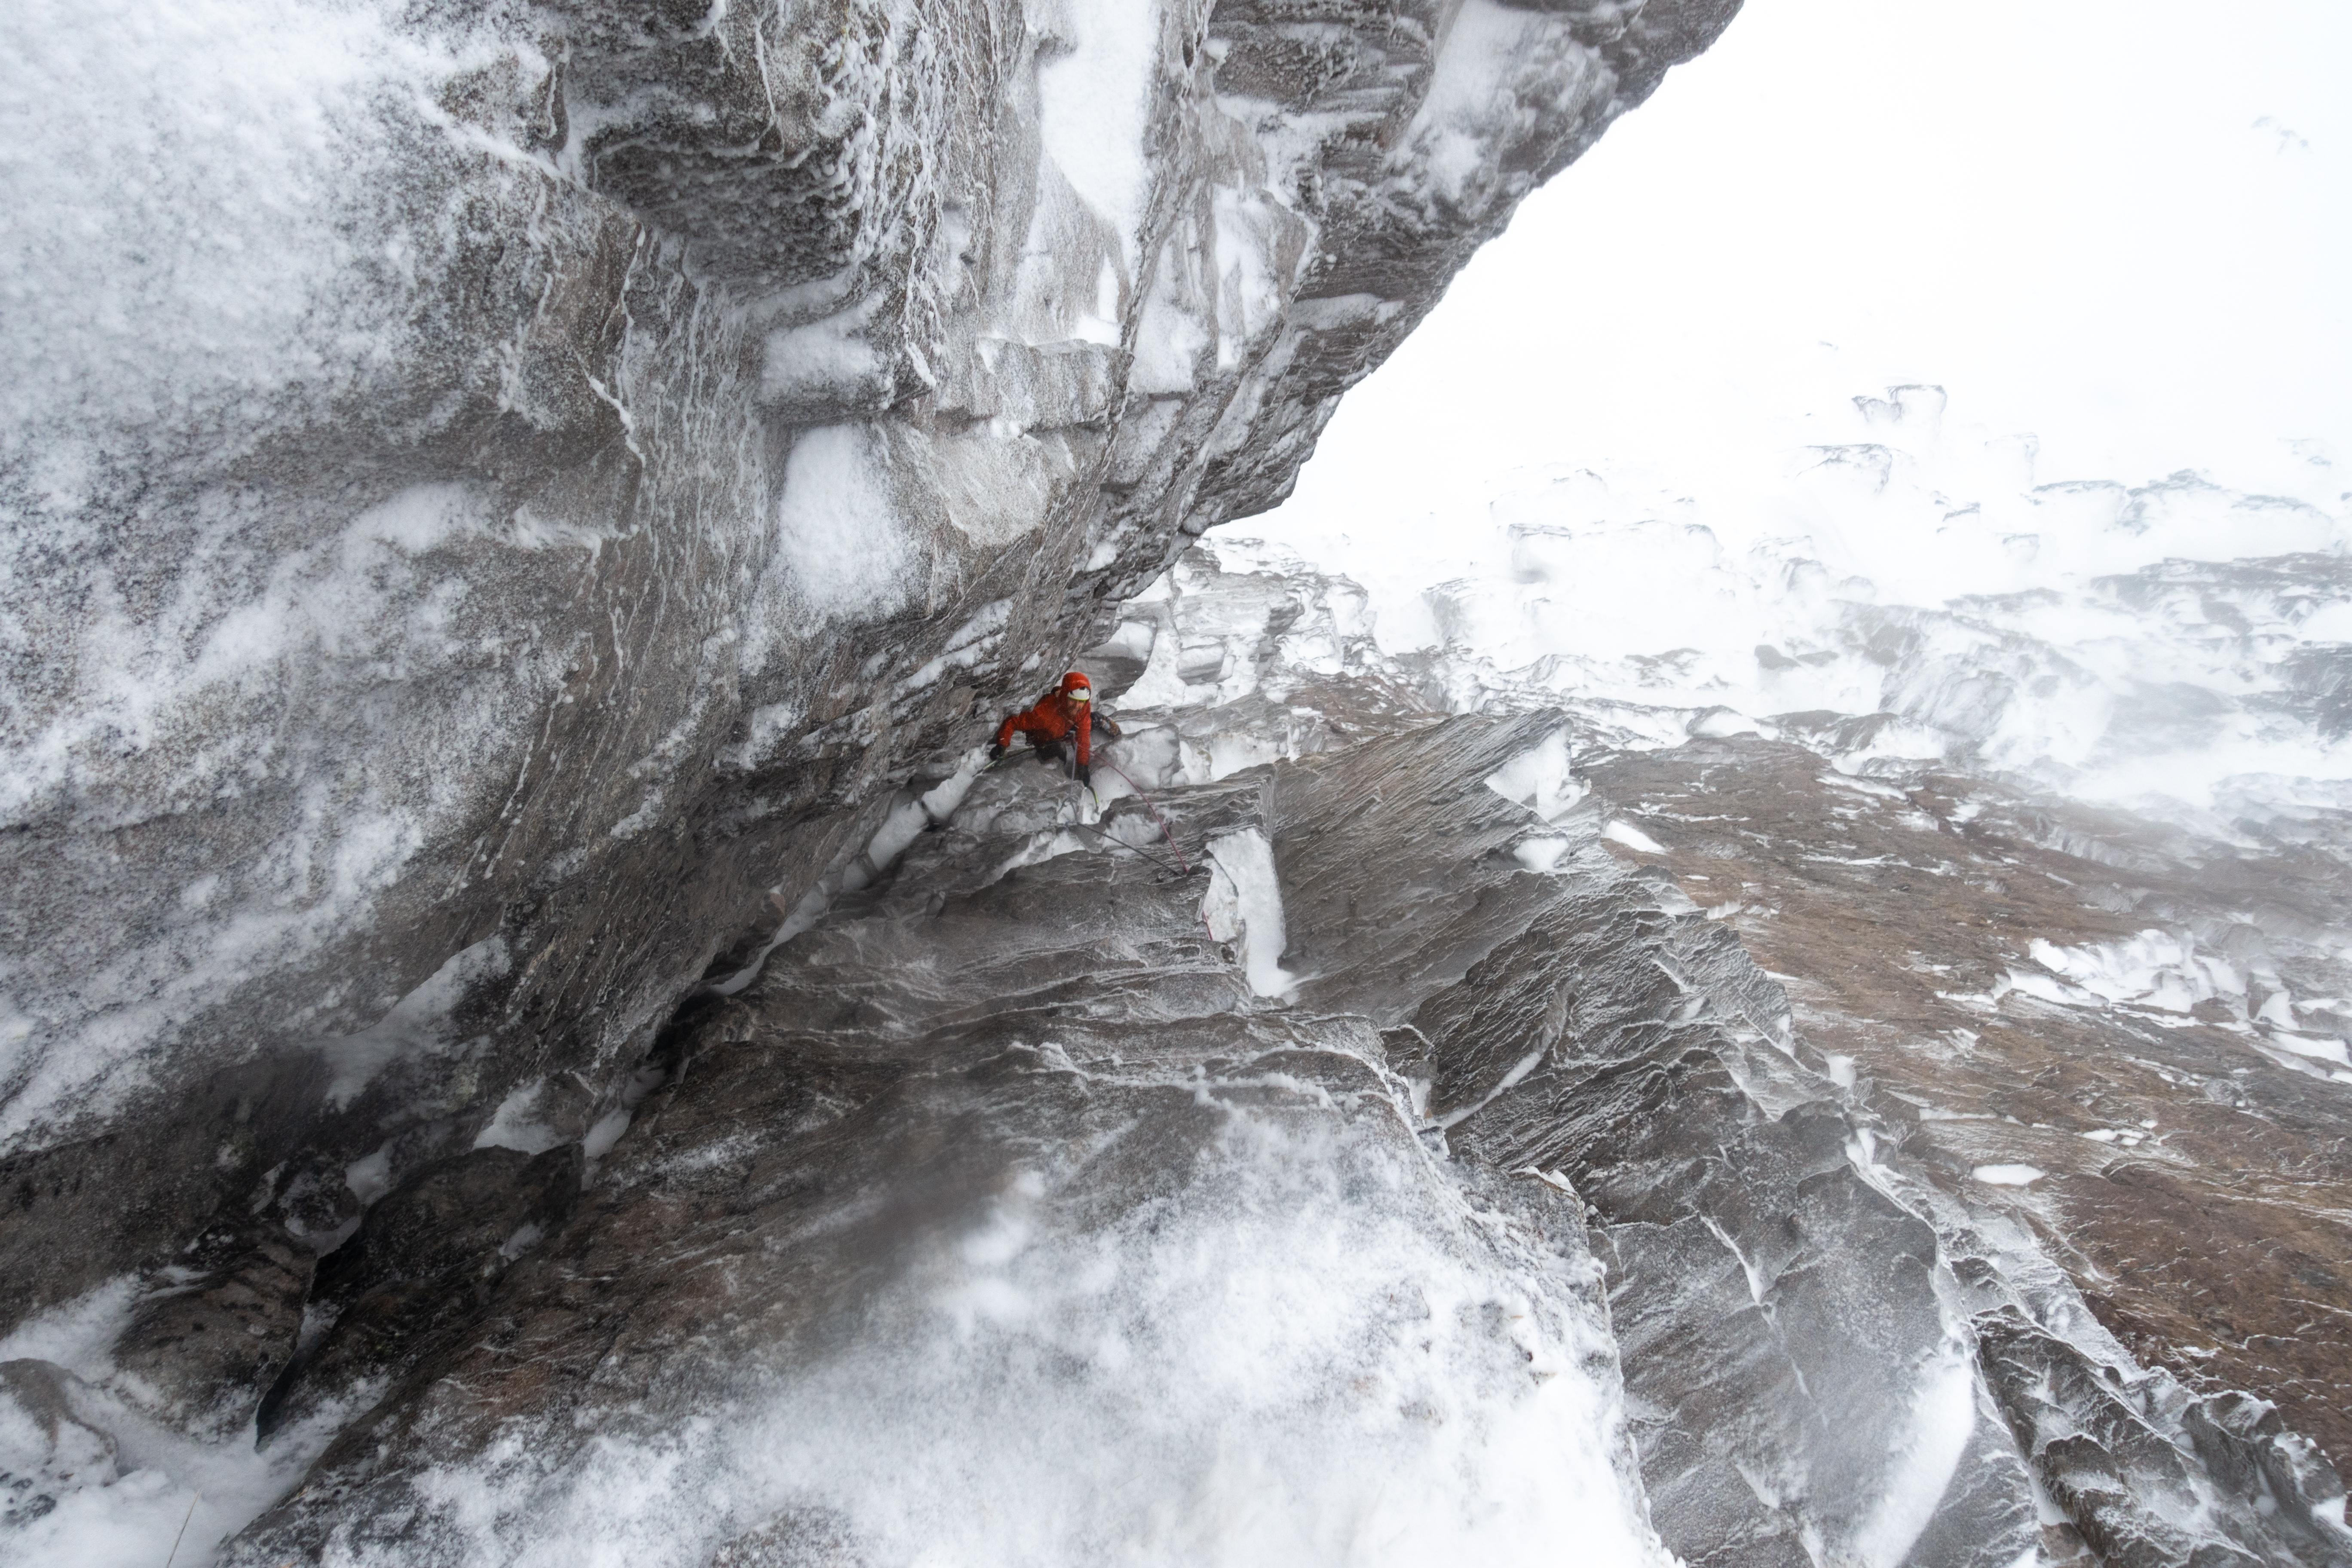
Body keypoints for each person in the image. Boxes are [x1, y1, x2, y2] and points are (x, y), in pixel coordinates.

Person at [989, 671, 1121, 784]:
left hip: (1068, 728)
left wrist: (1083, 766)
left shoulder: (1083, 708)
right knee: (1057, 756)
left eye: (1081, 702)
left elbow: (1084, 737)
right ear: (1064, 696)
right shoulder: (1043, 713)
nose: (1077, 706)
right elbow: (1013, 721)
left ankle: (1120, 737)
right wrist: (1002, 745)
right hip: (1047, 739)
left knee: (1097, 719)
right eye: (1073, 700)